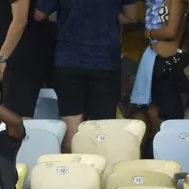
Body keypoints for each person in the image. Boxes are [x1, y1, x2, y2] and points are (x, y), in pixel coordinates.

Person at [35, 0, 138, 153]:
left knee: (72, 131)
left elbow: (39, 15)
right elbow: (132, 16)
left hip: (68, 61)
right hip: (105, 61)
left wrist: (65, 17)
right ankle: (98, 174)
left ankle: (72, 173)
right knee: (102, 132)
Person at [130, 0, 189, 157]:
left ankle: (169, 153)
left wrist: (149, 33)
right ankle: (157, 152)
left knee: (168, 115)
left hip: (169, 62)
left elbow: (171, 32)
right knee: (151, 111)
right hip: (153, 60)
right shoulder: (152, 2)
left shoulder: (176, 1)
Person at [0, 0, 56, 119]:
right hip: (31, 50)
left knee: (17, 118)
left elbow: (20, 21)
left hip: (23, 54)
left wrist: (1, 58)